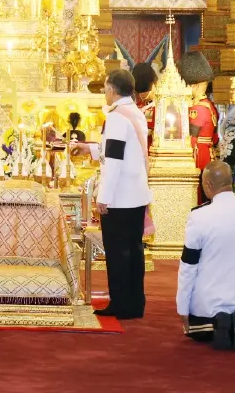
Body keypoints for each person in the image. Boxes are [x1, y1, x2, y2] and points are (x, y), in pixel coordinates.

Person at [177, 160, 235, 350]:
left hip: (206, 302)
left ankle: (219, 322)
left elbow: (188, 265)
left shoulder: (199, 216)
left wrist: (183, 308)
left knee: (197, 332)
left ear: (208, 185)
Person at [94, 69, 152, 320]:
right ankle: (135, 302)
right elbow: (120, 151)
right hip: (137, 195)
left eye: (106, 88)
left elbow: (114, 159)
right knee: (134, 252)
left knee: (118, 253)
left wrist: (103, 196)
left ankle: (120, 303)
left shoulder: (117, 117)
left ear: (112, 90)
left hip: (120, 197)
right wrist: (89, 149)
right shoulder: (136, 113)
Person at [181, 50, 218, 205]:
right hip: (206, 155)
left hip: (199, 157)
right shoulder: (206, 105)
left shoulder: (199, 109)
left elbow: (192, 138)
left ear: (194, 86)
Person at [132, 62, 158, 150]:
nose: (142, 95)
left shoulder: (160, 106)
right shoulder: (137, 106)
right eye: (139, 92)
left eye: (145, 92)